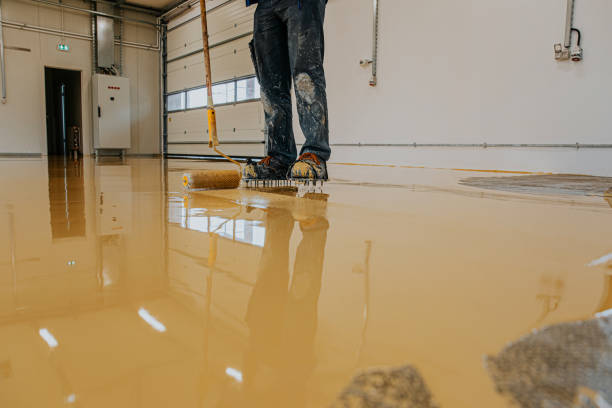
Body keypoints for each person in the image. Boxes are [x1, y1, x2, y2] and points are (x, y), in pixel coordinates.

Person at [244, 0, 330, 182]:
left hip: (300, 3)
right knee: (270, 85)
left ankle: (315, 155)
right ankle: (278, 159)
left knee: (305, 76)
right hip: (265, 4)